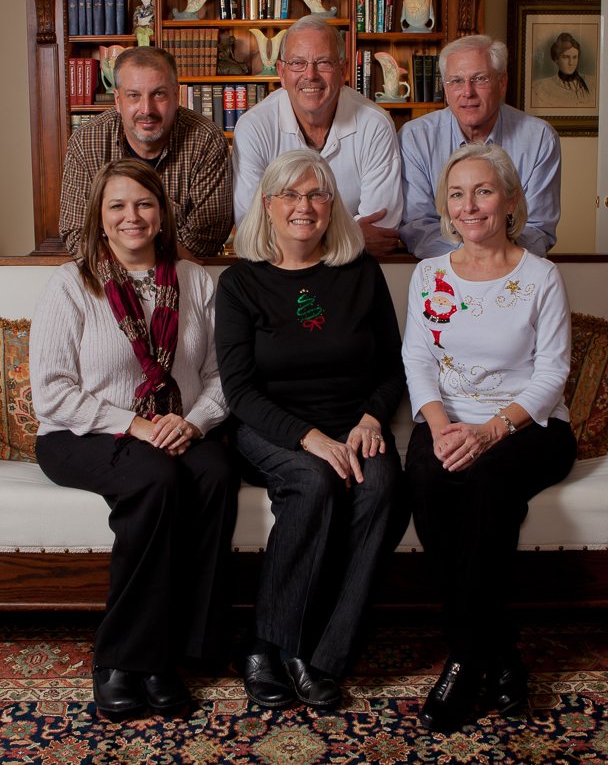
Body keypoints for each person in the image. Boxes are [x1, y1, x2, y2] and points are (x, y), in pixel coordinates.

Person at [31, 159, 237, 721]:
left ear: (162, 214)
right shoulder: (73, 284)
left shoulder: (194, 281)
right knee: (155, 476)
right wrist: (135, 423)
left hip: (175, 425)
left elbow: (223, 375)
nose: (132, 217)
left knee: (217, 471)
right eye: (117, 206)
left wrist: (193, 422)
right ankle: (123, 659)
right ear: (100, 220)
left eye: (144, 204)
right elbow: (51, 393)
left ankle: (181, 649)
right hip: (82, 432)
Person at [215, 149, 407, 709]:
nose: (305, 207)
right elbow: (239, 391)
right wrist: (309, 439)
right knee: (315, 481)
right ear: (268, 205)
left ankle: (318, 654)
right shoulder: (240, 284)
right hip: (272, 430)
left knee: (384, 489)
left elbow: (394, 365)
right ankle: (265, 644)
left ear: (332, 206)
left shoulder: (361, 273)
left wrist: (372, 417)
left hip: (354, 424)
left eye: (317, 194)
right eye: (290, 196)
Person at [402, 142, 577, 732]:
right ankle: (499, 654)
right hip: (446, 419)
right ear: (445, 209)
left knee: (488, 482)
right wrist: (440, 426)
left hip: (529, 425)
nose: (469, 204)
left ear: (509, 201)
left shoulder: (540, 276)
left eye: (482, 191)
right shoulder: (428, 274)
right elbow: (417, 359)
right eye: (457, 193)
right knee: (425, 474)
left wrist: (493, 429)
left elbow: (554, 373)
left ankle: (463, 662)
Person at [232, 15, 403, 256]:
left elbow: (381, 230)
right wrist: (351, 236)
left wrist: (296, 234)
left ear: (343, 70)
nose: (310, 75)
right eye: (297, 63)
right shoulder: (253, 126)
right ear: (281, 71)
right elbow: (250, 230)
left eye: (323, 62)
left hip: (352, 272)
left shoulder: (376, 125)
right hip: (278, 271)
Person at [60, 46, 233, 262]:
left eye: (158, 94)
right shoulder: (85, 142)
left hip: (182, 276)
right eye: (134, 96)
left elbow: (208, 235)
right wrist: (143, 256)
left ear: (176, 94)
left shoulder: (206, 139)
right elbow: (76, 233)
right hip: (109, 275)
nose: (146, 109)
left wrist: (132, 249)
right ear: (117, 100)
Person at [398, 34, 561, 260]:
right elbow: (419, 227)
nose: (467, 92)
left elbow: (537, 229)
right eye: (456, 81)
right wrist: (468, 261)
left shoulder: (541, 139)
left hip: (514, 270)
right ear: (445, 89)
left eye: (480, 79)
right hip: (445, 268)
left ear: (502, 83)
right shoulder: (414, 138)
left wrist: (493, 262)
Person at [532, 33, 596, 108]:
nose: (571, 63)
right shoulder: (542, 87)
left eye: (575, 57)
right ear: (556, 59)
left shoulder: (592, 83)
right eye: (566, 57)